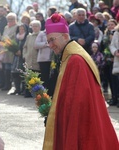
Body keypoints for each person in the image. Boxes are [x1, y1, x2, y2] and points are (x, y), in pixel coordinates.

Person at [43, 13, 119, 150]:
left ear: (65, 36)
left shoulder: (75, 60)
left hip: (82, 127)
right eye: (48, 41)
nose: (50, 45)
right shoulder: (71, 56)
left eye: (52, 40)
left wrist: (57, 117)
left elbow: (76, 102)